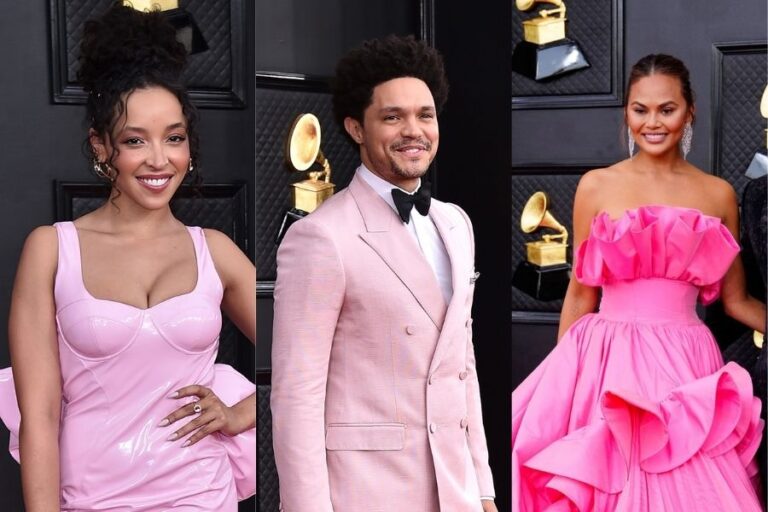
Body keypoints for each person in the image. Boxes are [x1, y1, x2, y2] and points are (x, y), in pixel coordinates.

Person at [0, 4, 256, 510]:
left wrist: (240, 412)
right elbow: (41, 414)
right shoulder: (51, 250)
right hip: (92, 494)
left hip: (200, 493)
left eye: (175, 138)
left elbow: (307, 354)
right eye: (135, 140)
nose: (160, 159)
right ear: (101, 147)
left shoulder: (216, 252)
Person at [511, 54, 766, 511]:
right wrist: (564, 378)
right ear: (625, 111)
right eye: (639, 109)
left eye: (666, 109)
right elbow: (580, 292)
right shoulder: (595, 186)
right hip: (607, 358)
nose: (651, 122)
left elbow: (735, 300)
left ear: (690, 112)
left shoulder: (718, 194)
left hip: (686, 360)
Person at [271, 35, 497, 512]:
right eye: (393, 117)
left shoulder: (455, 223)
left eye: (425, 115)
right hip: (367, 491)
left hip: (454, 491)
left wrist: (482, 489)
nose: (413, 130)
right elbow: (297, 398)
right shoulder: (321, 237)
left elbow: (463, 368)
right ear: (356, 127)